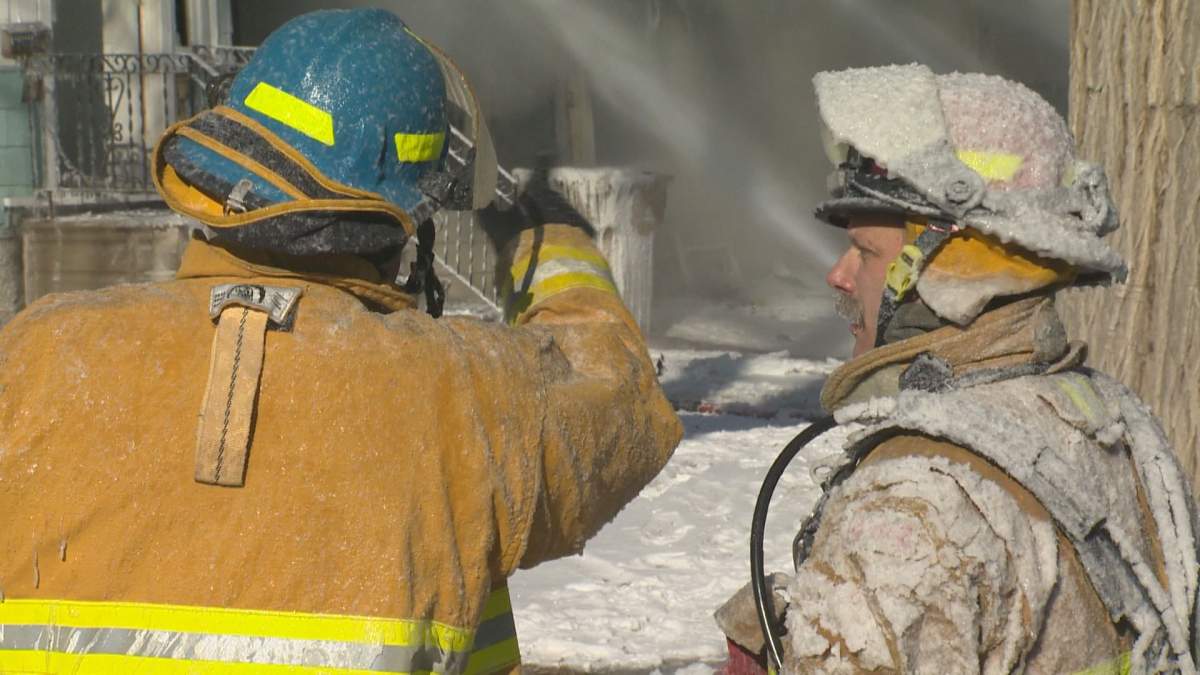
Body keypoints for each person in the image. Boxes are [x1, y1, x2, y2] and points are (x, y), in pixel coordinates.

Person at [0, 9, 681, 674]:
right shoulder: (462, 395)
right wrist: (554, 246)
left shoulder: (38, 353)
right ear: (404, 229)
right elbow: (620, 394)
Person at [716, 64, 1199, 673]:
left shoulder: (910, 508)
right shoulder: (1114, 424)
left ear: (945, 272)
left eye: (866, 251)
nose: (838, 274)